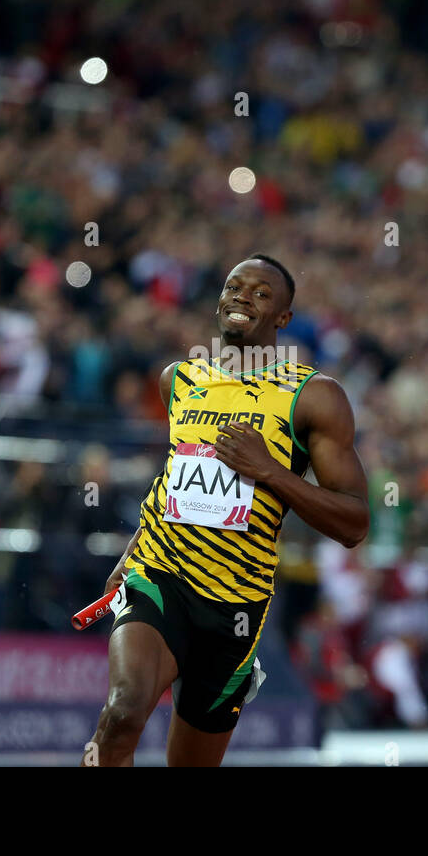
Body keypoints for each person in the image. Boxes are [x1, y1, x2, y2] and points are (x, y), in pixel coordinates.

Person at [84, 254, 369, 766]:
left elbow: (354, 522)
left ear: (283, 318)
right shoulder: (180, 379)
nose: (242, 296)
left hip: (236, 604)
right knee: (122, 714)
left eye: (261, 293)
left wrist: (272, 471)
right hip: (159, 575)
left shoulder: (314, 398)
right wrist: (130, 554)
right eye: (234, 287)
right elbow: (177, 474)